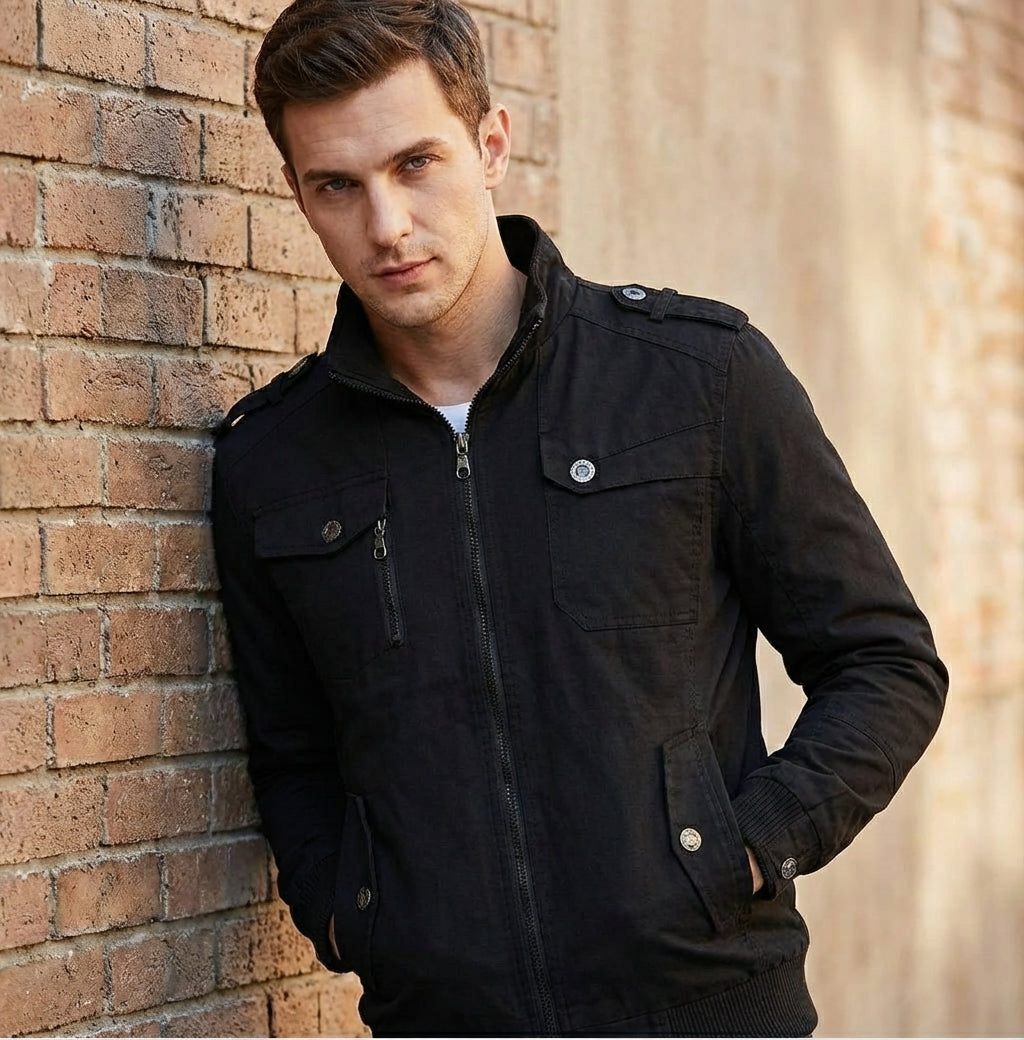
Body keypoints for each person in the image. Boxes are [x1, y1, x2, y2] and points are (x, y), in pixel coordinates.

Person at [211, 1, 948, 1035]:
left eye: (416, 164)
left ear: (490, 145)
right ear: (297, 192)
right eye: (337, 184)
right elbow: (292, 751)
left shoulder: (692, 378)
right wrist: (352, 914)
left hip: (712, 1011)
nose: (386, 225)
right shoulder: (273, 461)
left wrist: (746, 845)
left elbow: (884, 661)